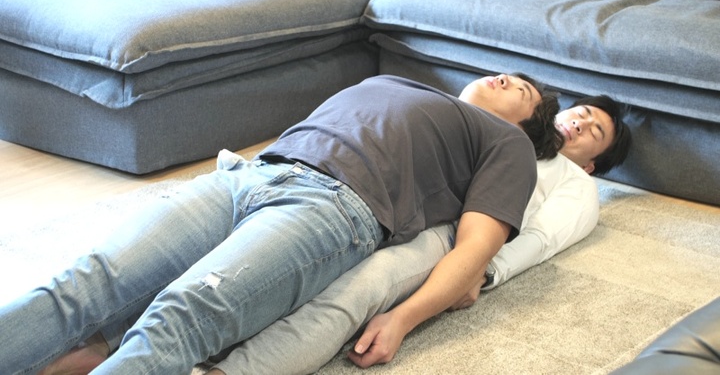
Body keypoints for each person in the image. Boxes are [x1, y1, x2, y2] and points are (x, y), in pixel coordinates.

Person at [2, 73, 561, 375]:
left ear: (526, 126)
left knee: (182, 316)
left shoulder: (507, 144)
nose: (505, 78)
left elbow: (474, 251)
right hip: (248, 175)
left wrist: (404, 318)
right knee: (89, 279)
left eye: (523, 90)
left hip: (335, 207)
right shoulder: (402, 84)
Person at [196, 95, 632, 374]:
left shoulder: (576, 184)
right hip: (398, 192)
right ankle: (203, 330)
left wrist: (484, 270)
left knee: (361, 287)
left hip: (456, 231)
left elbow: (543, 239)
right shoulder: (508, 123)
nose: (580, 124)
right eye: (581, 113)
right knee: (283, 246)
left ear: (592, 163)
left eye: (594, 132)